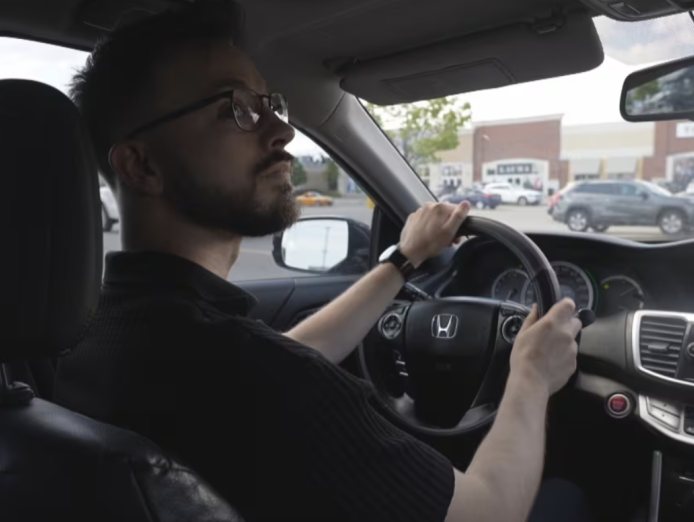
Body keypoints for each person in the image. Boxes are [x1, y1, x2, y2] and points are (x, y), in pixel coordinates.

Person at [54, 2, 589, 521]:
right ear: (142, 165)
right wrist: (531, 375)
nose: (282, 131)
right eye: (234, 108)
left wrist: (402, 261)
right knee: (569, 493)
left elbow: (288, 357)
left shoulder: (90, 332)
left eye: (269, 103)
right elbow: (488, 512)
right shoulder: (258, 378)